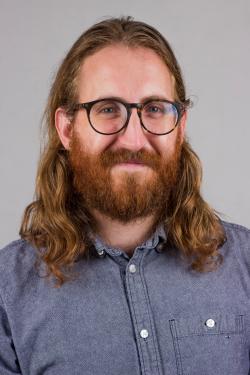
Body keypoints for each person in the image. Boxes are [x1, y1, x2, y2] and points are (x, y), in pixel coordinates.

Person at [0, 16, 249, 375]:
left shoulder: (244, 267)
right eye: (107, 109)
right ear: (67, 128)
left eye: (154, 109)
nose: (134, 139)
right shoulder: (8, 295)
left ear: (179, 128)